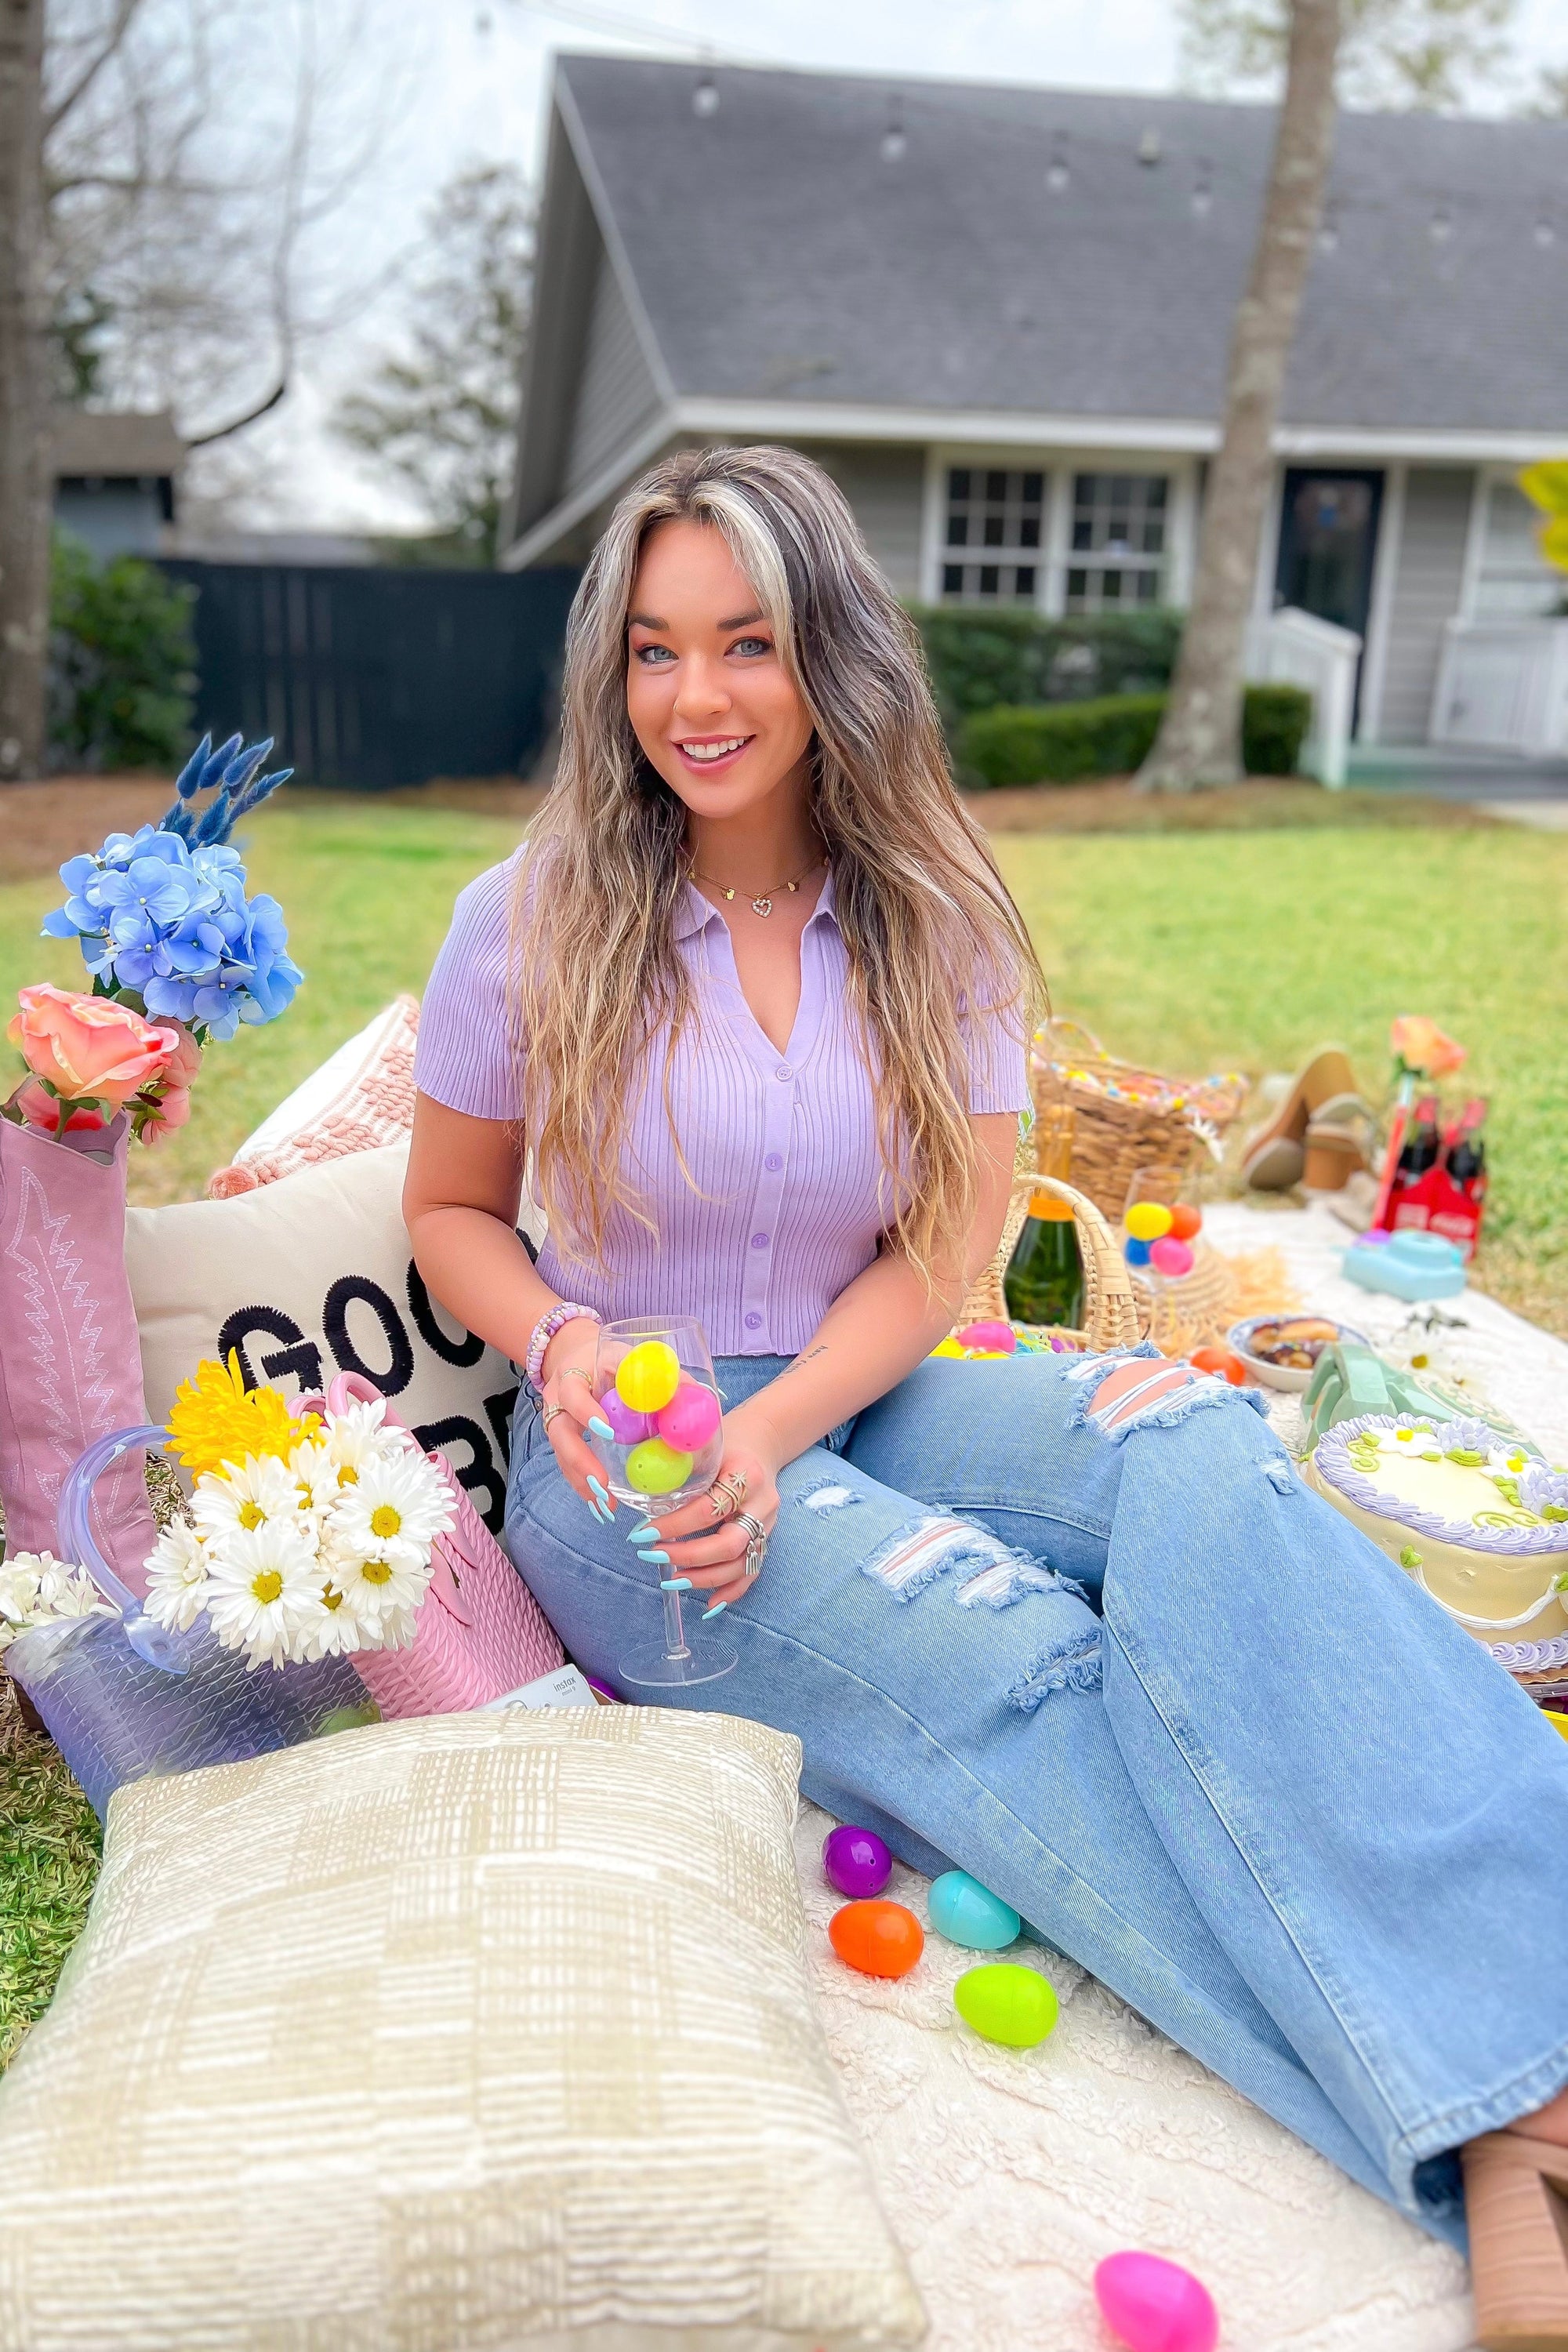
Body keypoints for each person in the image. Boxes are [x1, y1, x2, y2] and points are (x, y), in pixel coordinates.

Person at [405, 444, 1568, 2334]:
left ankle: (1543, 1977)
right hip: (641, 1480)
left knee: (1199, 1446)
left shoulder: (932, 909)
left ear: (830, 655)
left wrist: (787, 1426)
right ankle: (1485, 2121)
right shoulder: (527, 916)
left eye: (747, 644)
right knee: (1016, 1652)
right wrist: (563, 1349)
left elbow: (941, 1246)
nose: (694, 700)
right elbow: (452, 1215)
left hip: (857, 1391)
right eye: (651, 653)